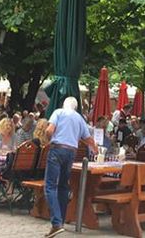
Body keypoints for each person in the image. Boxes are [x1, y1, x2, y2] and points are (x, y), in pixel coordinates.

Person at [44, 97, 98, 238]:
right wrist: (95, 148)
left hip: (57, 149)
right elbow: (87, 138)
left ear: (64, 104)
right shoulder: (79, 118)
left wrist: (49, 139)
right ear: (75, 107)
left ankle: (56, 224)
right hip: (71, 152)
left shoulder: (58, 112)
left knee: (50, 186)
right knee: (63, 186)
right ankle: (60, 220)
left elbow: (49, 130)